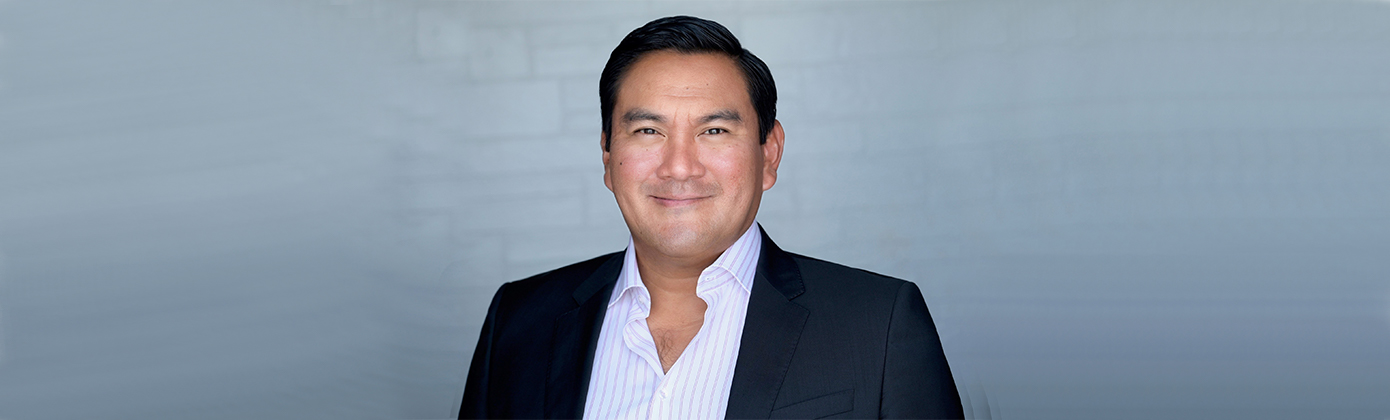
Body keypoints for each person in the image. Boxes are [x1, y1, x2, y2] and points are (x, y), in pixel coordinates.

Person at [459, 16, 962, 419]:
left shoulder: (878, 325)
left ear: (769, 154)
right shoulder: (519, 321)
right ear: (608, 157)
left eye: (715, 131)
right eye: (648, 131)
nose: (679, 167)